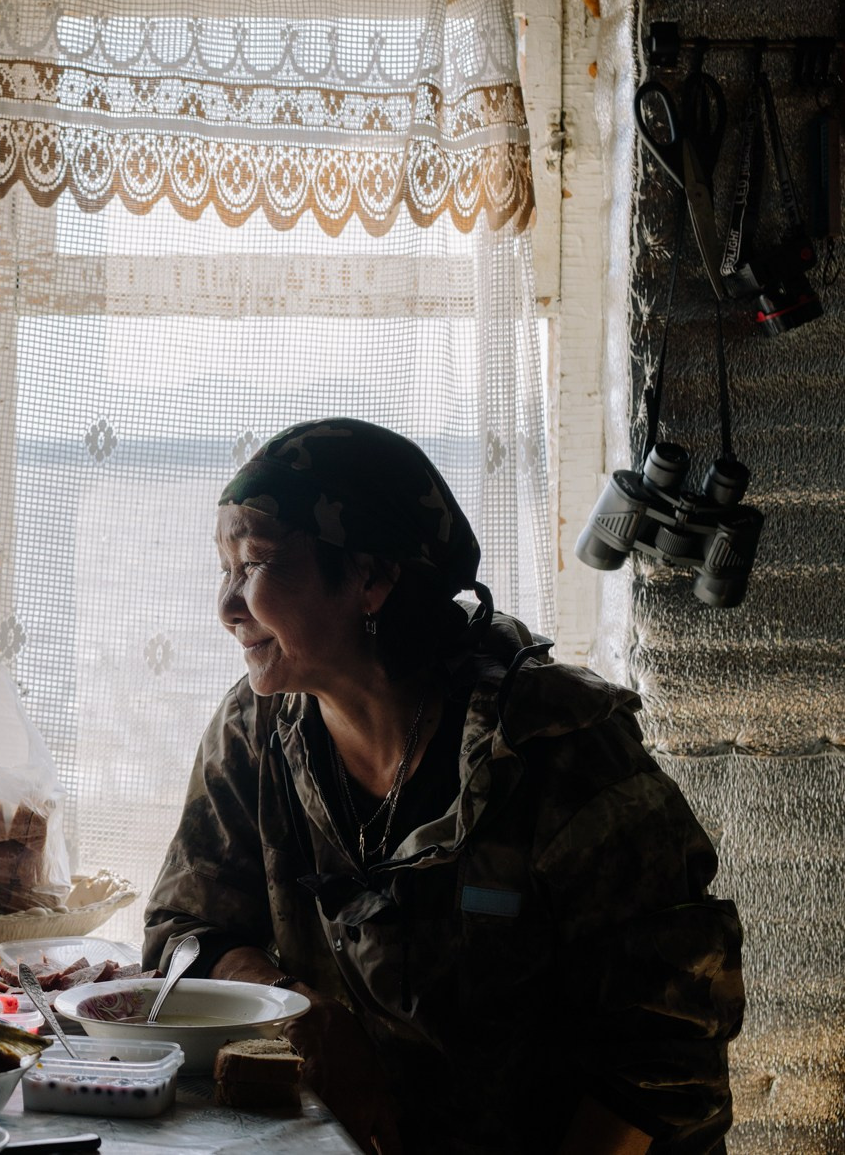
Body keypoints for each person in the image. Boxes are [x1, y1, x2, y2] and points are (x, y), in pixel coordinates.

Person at [144, 418, 744, 1155]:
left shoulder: (554, 747)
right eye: (224, 567)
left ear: (372, 577)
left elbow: (669, 1039)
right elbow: (185, 935)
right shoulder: (257, 729)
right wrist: (300, 1013)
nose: (227, 606)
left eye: (259, 564)